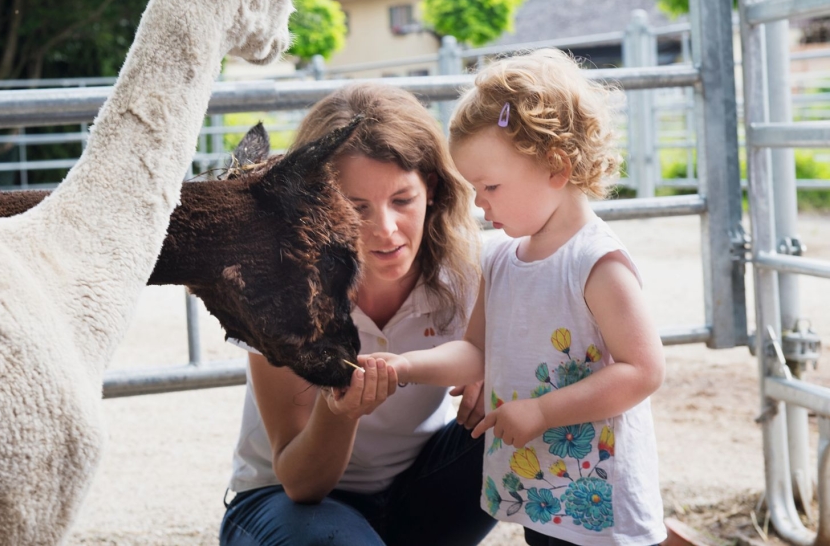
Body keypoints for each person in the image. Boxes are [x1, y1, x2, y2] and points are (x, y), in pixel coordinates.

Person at [367, 49, 666, 545]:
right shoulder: (501, 259)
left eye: (490, 187)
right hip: (541, 493)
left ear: (556, 166)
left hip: (600, 501)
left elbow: (643, 370)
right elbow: (475, 352)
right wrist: (402, 367)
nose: (480, 205)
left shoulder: (595, 263)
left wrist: (544, 413)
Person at [219, 82, 496, 545]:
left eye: (402, 200)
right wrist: (341, 410)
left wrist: (503, 373)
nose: (385, 231)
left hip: (418, 494)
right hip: (289, 506)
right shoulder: (277, 288)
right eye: (355, 206)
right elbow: (300, 483)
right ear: (318, 206)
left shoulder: (471, 271)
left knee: (542, 411)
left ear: (432, 187)